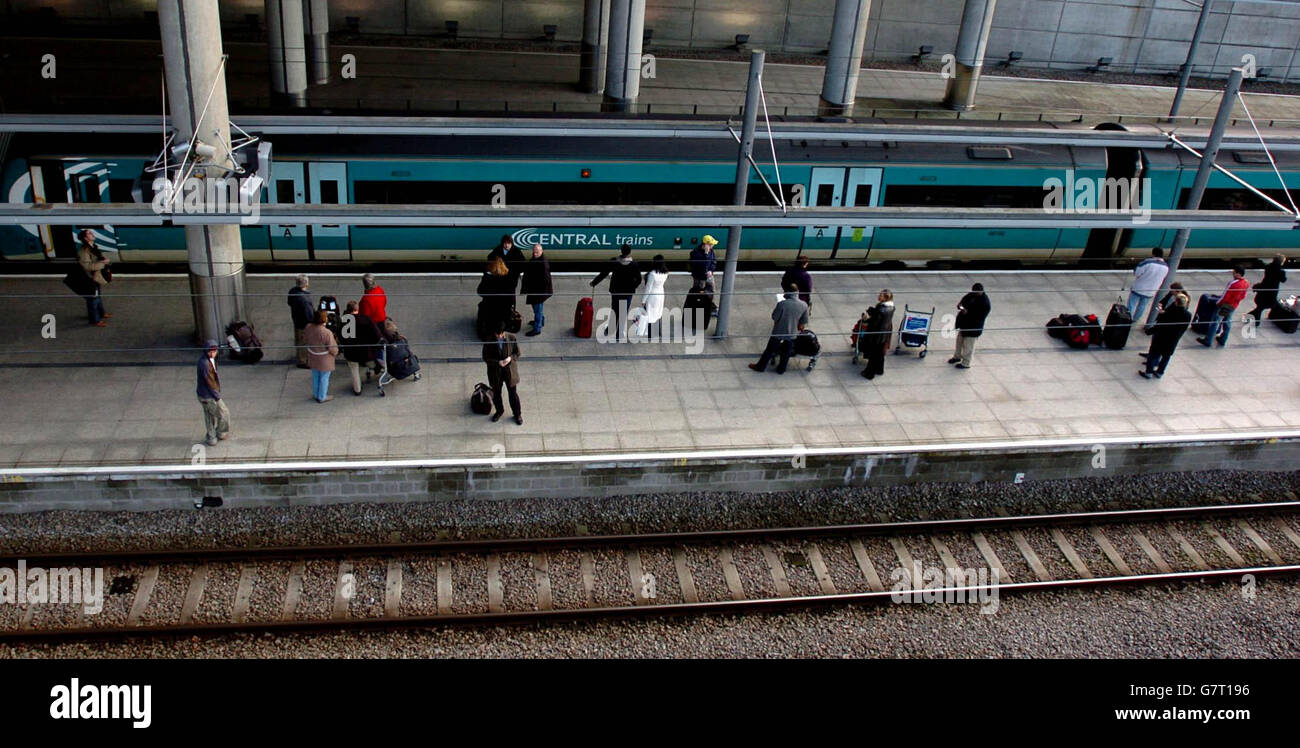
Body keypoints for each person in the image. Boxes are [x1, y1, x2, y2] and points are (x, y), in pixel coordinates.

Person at [748, 283, 809, 374]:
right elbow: (803, 322)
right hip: (792, 333)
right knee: (786, 353)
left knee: (769, 350)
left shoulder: (782, 304)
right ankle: (781, 369)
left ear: (787, 292)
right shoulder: (803, 305)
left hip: (779, 331)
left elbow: (775, 317)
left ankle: (760, 367)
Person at [590, 243, 642, 342]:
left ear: (621, 251)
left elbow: (604, 273)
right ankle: (619, 335)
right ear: (630, 252)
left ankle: (609, 330)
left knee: (615, 310)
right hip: (627, 293)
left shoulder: (615, 262)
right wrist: (632, 287)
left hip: (616, 291)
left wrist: (594, 282)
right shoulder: (634, 264)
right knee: (623, 312)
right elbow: (639, 279)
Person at [1139, 292, 1192, 379]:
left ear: (1176, 301)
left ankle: (1148, 372)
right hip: (1173, 340)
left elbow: (1160, 324)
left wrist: (1149, 331)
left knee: (1154, 354)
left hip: (1161, 337)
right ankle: (1160, 372)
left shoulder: (1170, 312)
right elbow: (1184, 328)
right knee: (1166, 357)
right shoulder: (1188, 315)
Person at [1198, 265, 1250, 348]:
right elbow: (1243, 296)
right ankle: (1223, 339)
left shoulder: (1233, 284)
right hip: (1233, 305)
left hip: (1225, 305)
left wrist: (1218, 303)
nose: (1233, 273)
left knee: (1216, 321)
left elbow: (1225, 296)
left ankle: (1208, 340)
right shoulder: (1246, 283)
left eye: (1234, 272)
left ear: (1238, 274)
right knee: (1227, 322)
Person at [482, 321, 523, 425]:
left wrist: (510, 358)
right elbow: (486, 357)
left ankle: (517, 414)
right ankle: (499, 411)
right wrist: (497, 363)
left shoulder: (511, 338)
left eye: (501, 334)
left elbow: (517, 353)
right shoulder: (489, 340)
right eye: (497, 334)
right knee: (497, 394)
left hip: (509, 372)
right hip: (495, 372)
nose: (499, 336)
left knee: (513, 394)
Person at [340, 300, 380, 395]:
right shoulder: (365, 319)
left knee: (354, 370)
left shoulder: (344, 320)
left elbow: (341, 337)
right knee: (372, 364)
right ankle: (375, 370)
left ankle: (357, 389)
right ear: (357, 309)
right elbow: (376, 334)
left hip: (350, 352)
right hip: (365, 352)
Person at [196, 339, 231, 447]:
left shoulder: (210, 359)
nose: (213, 353)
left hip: (205, 394)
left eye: (214, 351)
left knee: (209, 415)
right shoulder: (205, 364)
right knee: (223, 413)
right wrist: (217, 397)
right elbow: (210, 382)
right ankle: (219, 433)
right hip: (208, 395)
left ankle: (212, 437)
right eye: (210, 351)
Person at [948, 282, 991, 369]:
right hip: (964, 324)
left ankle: (966, 363)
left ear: (981, 291)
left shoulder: (985, 303)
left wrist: (967, 312)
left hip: (973, 327)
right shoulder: (971, 295)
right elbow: (961, 304)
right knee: (959, 342)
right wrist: (961, 307)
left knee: (968, 346)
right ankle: (957, 357)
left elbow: (980, 316)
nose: (974, 293)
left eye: (976, 292)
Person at [76, 229, 111, 327]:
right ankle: (94, 320)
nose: (92, 234)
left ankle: (101, 313)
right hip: (89, 278)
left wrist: (104, 261)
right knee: (93, 299)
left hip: (96, 276)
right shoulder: (84, 251)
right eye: (89, 233)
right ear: (85, 238)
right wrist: (103, 264)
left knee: (97, 296)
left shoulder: (93, 247)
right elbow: (87, 266)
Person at [860, 289, 896, 380]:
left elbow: (874, 322)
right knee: (880, 354)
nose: (879, 296)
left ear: (885, 298)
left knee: (873, 355)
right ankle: (879, 369)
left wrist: (866, 318)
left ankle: (869, 373)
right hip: (885, 333)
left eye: (881, 295)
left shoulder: (880, 309)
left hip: (876, 335)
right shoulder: (891, 307)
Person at [304, 309, 340, 403]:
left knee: (315, 376)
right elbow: (333, 348)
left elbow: (305, 339)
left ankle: (316, 394)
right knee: (324, 377)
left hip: (313, 355)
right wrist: (336, 352)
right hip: (324, 359)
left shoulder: (308, 327)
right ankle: (322, 396)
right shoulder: (326, 332)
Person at [477, 255, 515, 338]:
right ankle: (501, 334)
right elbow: (512, 295)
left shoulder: (488, 278)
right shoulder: (509, 278)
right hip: (504, 308)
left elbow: (480, 291)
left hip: (490, 307)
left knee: (485, 315)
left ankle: (486, 335)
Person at [1127, 247, 1169, 321]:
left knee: (1131, 304)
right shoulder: (1166, 267)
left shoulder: (1146, 263)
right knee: (1142, 306)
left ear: (1153, 254)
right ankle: (1135, 319)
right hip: (1151, 291)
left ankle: (1128, 318)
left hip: (1138, 288)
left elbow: (1137, 273)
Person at [521, 243, 553, 336]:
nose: (535, 254)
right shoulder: (537, 258)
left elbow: (546, 280)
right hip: (535, 290)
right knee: (537, 309)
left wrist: (538, 289)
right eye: (534, 252)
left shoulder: (543, 264)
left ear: (541, 251)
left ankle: (537, 328)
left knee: (537, 310)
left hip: (538, 292)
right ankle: (540, 321)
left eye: (537, 252)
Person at [1247, 254, 1287, 326]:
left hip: (1264, 287)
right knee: (1265, 306)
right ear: (1281, 262)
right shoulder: (1281, 271)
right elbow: (1283, 280)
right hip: (1271, 291)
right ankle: (1252, 318)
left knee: (1261, 306)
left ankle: (1255, 320)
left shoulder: (1268, 266)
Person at [287, 274, 314, 368]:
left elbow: (289, 303)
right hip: (304, 324)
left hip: (296, 319)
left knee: (298, 340)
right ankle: (303, 361)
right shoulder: (304, 299)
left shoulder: (292, 291)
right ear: (306, 284)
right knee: (304, 342)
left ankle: (300, 356)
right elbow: (309, 314)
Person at [639, 254, 669, 338]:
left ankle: (650, 333)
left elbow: (648, 288)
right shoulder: (666, 272)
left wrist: (643, 300)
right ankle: (658, 332)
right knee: (658, 313)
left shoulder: (652, 274)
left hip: (652, 296)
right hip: (661, 294)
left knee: (650, 314)